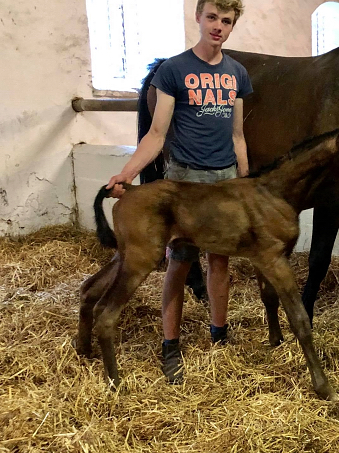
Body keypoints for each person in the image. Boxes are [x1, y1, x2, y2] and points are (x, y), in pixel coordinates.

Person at [105, 0, 252, 383]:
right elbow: (156, 135)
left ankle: (219, 334)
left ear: (232, 25)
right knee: (180, 260)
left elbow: (237, 136)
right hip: (185, 182)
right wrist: (127, 172)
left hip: (224, 181)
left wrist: (246, 183)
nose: (218, 26)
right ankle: (171, 344)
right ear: (198, 17)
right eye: (212, 18)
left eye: (227, 21)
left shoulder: (236, 73)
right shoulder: (174, 70)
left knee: (220, 261)